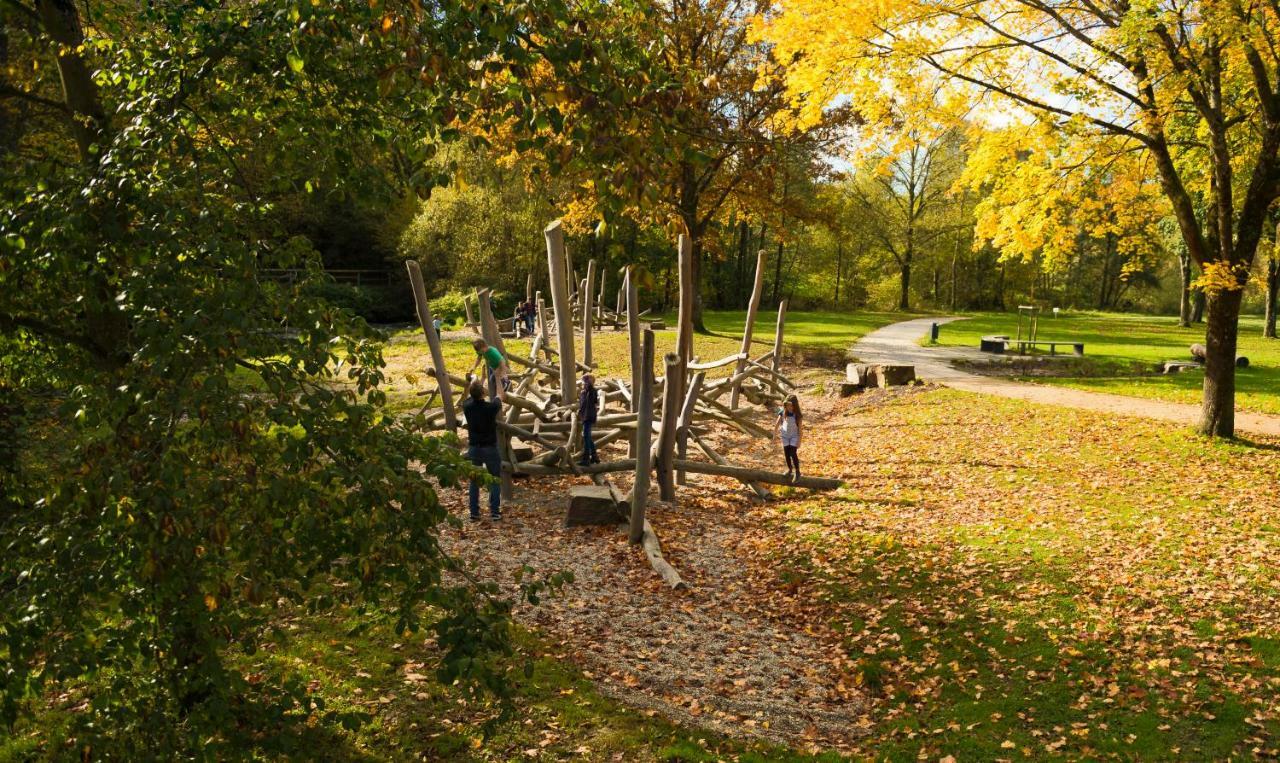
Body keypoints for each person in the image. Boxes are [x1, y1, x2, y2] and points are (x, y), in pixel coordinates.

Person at [462, 381, 502, 521]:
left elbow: (468, 396)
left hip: (474, 448)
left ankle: (474, 512)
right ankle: (495, 512)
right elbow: (500, 396)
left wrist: (474, 380)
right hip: (490, 447)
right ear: (483, 393)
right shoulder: (491, 408)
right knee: (495, 479)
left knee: (474, 481)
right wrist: (499, 379)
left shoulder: (466, 406)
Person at [774, 395, 802, 481]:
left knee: (793, 453)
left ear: (795, 405)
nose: (789, 407)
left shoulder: (797, 415)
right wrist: (774, 434)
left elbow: (800, 429)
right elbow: (777, 423)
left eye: (791, 405)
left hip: (794, 436)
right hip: (785, 436)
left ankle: (797, 472)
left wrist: (799, 441)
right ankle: (790, 469)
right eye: (788, 405)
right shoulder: (783, 412)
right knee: (786, 453)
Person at [577, 374, 600, 466]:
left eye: (585, 382)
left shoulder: (592, 391)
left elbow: (593, 399)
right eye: (583, 382)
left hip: (589, 416)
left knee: (586, 436)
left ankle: (586, 459)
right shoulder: (583, 393)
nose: (583, 384)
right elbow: (582, 404)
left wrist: (588, 381)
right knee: (588, 437)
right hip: (584, 416)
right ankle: (594, 456)